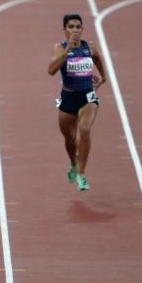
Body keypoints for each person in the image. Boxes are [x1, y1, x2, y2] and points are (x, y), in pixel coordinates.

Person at [47, 13, 107, 191]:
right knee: (70, 140)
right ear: (64, 30)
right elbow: (51, 70)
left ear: (82, 29)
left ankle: (81, 173)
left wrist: (103, 77)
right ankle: (73, 163)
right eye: (71, 27)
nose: (75, 30)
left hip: (88, 96)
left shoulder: (90, 46)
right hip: (68, 98)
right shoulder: (59, 48)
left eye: (78, 27)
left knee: (85, 129)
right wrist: (67, 51)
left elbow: (98, 58)